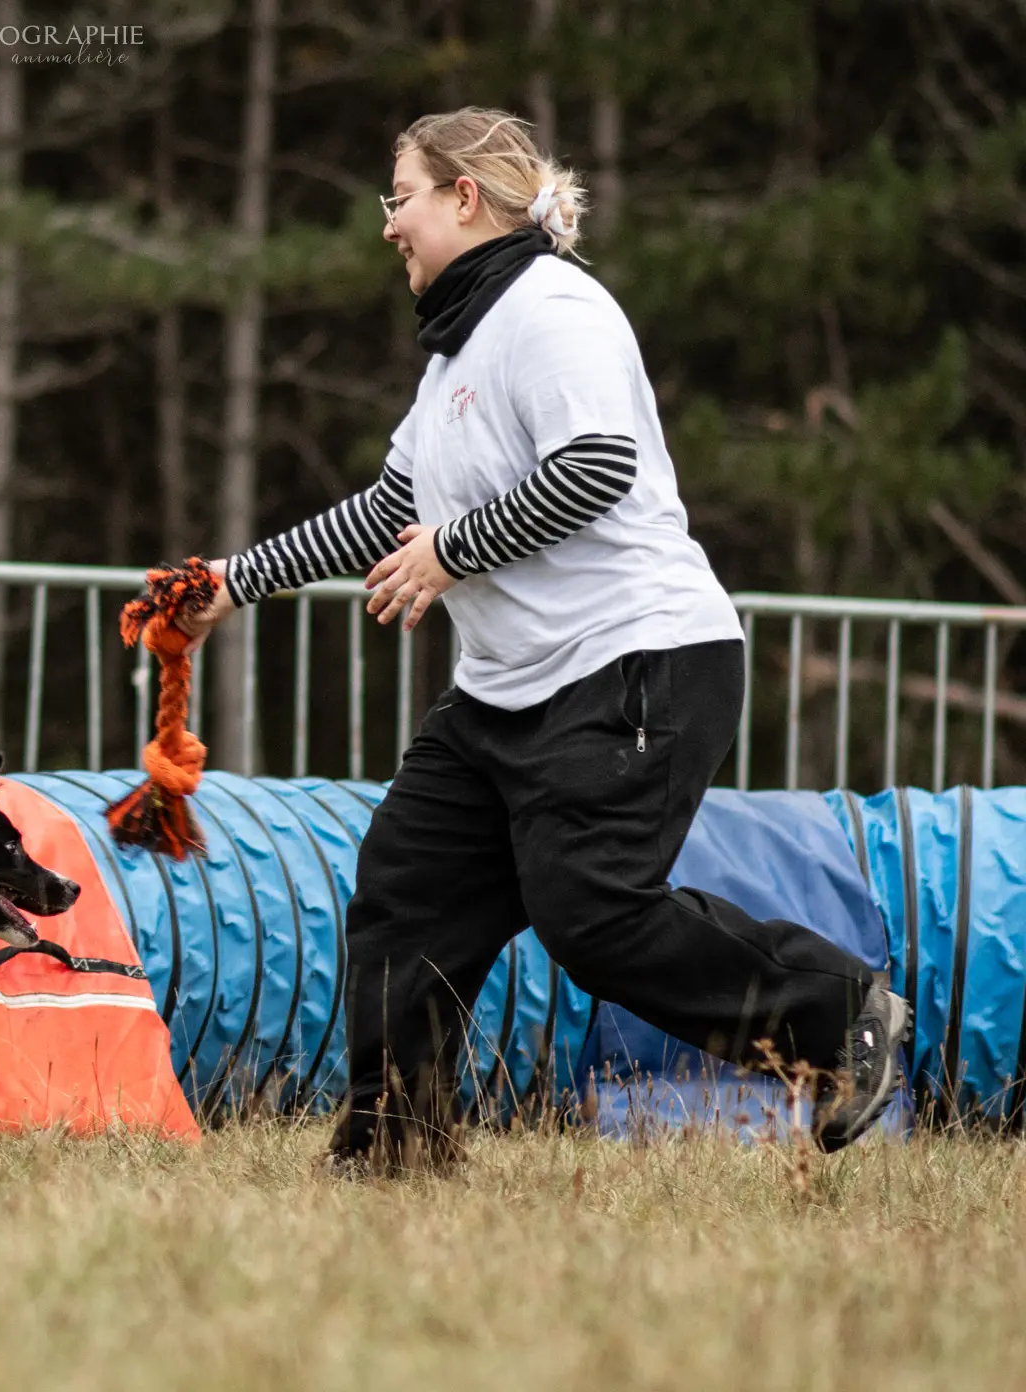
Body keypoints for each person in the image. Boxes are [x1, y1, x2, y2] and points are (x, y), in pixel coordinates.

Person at [178, 107, 907, 1170]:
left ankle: (834, 1016)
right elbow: (387, 508)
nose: (388, 225)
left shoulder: (554, 311)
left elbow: (593, 466)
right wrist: (231, 582)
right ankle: (395, 1148)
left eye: (400, 198)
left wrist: (451, 552)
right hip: (509, 690)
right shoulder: (453, 356)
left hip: (637, 663)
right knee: (406, 891)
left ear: (461, 199)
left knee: (593, 916)